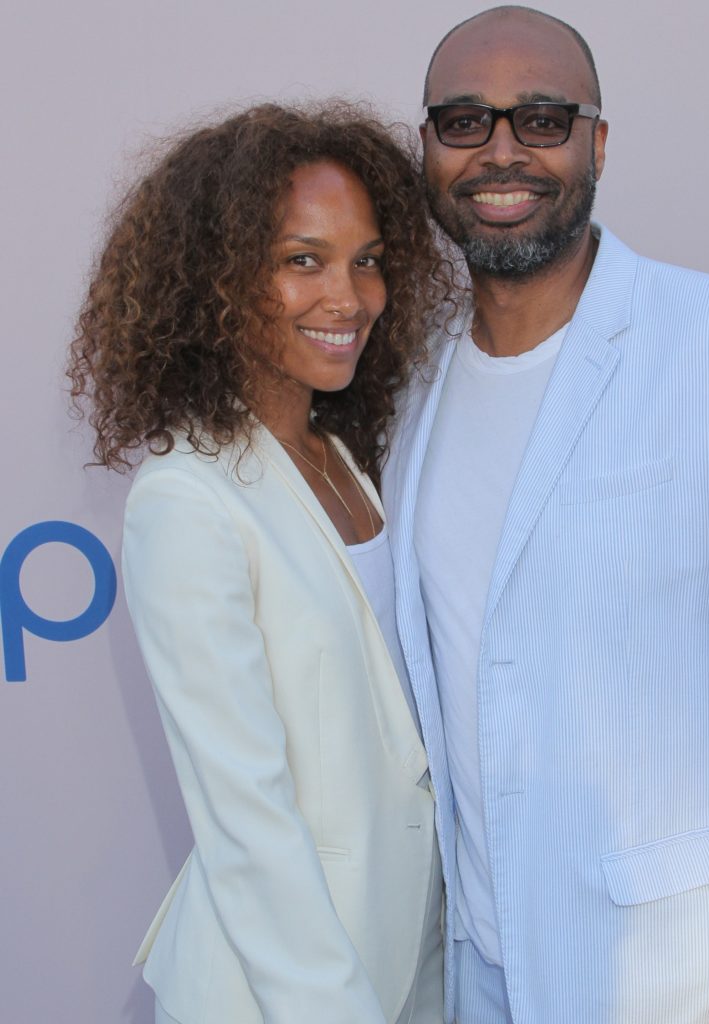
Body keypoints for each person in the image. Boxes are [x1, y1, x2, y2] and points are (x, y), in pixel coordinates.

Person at [381, 7, 709, 1023]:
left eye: (541, 119)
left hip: (676, 981)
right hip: (475, 974)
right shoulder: (409, 387)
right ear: (427, 148)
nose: (500, 152)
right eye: (463, 121)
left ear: (597, 143)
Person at [67, 103, 454, 1024]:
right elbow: (246, 817)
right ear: (217, 278)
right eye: (302, 261)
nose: (348, 298)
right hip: (283, 992)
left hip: (411, 962)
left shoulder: (344, 460)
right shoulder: (186, 497)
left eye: (367, 261)